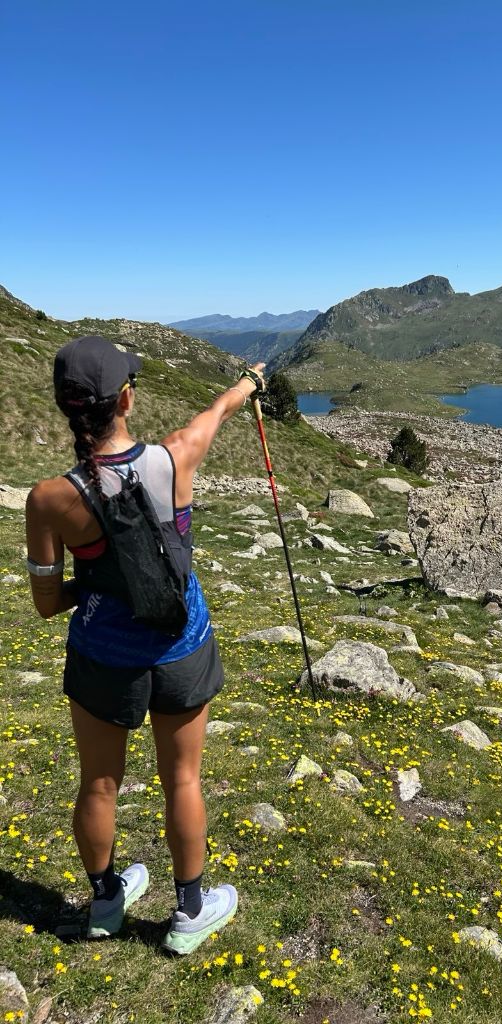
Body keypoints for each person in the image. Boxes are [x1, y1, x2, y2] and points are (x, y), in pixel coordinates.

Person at [24, 334, 265, 954]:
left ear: (67, 407)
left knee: (99, 783)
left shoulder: (50, 498)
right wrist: (249, 384)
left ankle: (105, 902)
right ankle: (189, 911)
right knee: (182, 780)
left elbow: (47, 604)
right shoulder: (175, 457)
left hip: (104, 655)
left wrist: (99, 583)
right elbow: (217, 413)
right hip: (182, 646)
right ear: (125, 398)